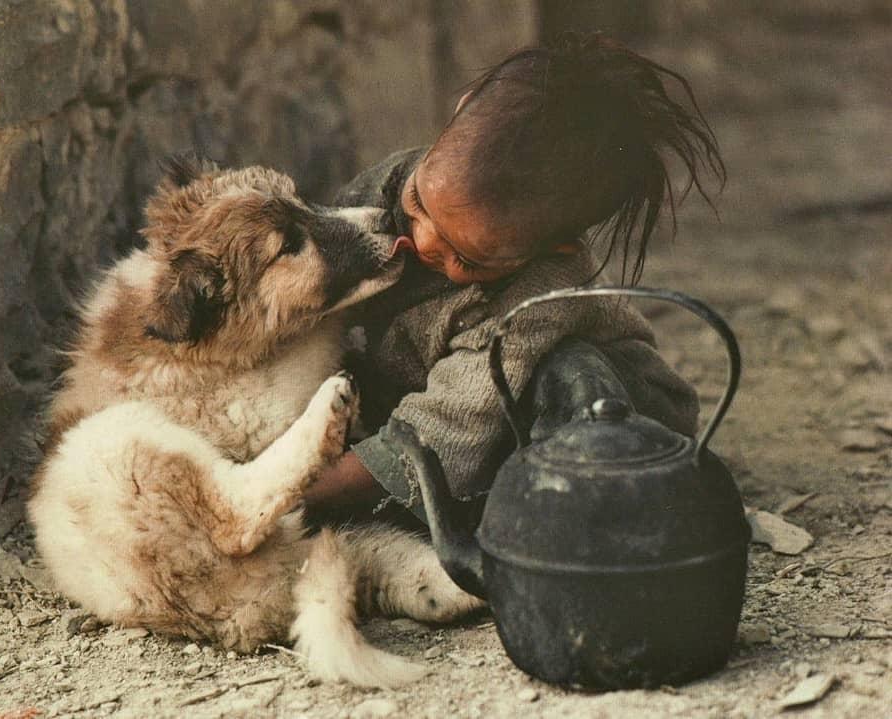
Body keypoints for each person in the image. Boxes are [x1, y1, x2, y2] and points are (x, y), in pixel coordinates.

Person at [302, 33, 725, 525]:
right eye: (418, 205)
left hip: (604, 416)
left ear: (553, 248)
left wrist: (289, 495)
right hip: (442, 392)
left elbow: (450, 428)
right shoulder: (394, 182)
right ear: (457, 112)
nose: (421, 242)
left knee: (564, 376)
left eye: (465, 256)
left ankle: (571, 514)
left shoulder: (539, 295)